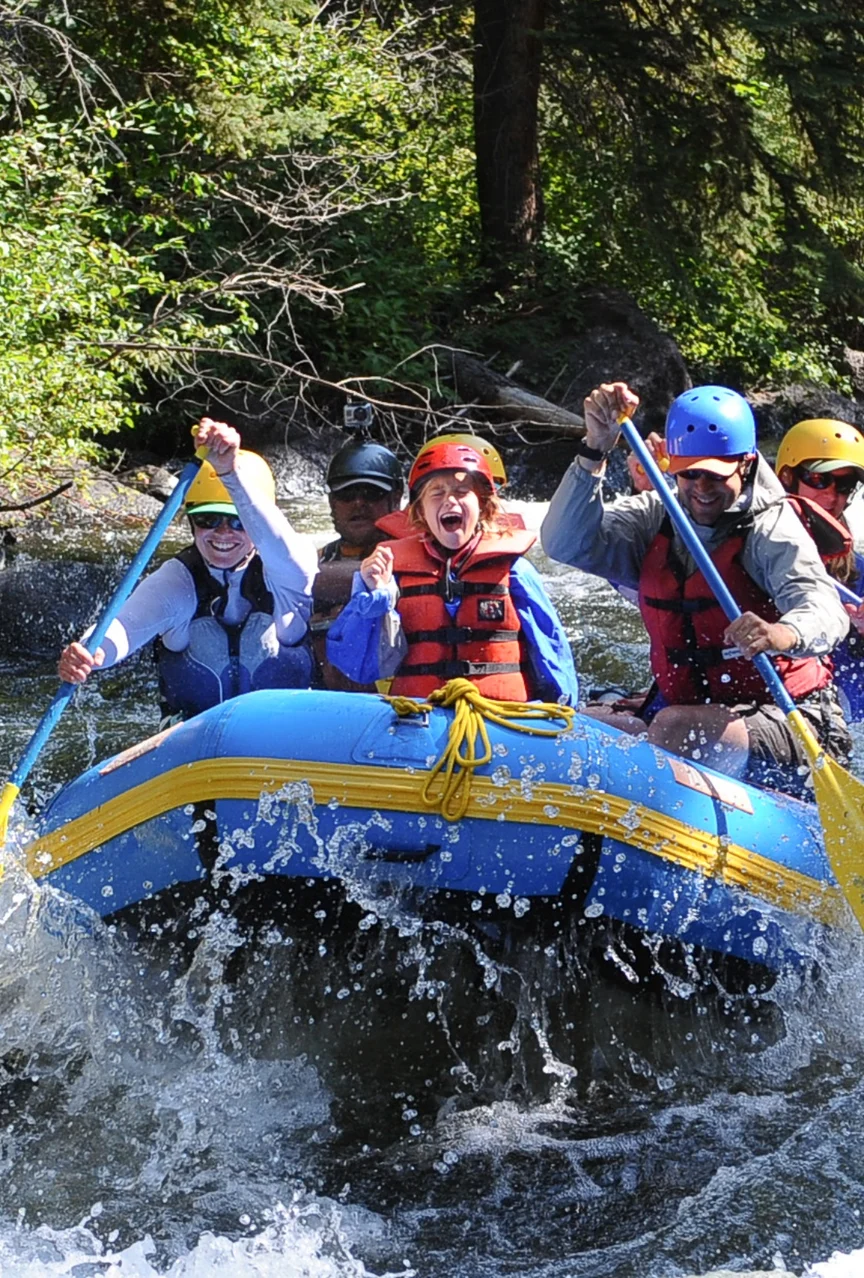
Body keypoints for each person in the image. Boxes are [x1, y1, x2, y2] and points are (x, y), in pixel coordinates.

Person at [540, 382, 852, 792]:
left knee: (675, 728)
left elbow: (825, 609)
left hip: (794, 717)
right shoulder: (657, 515)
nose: (702, 488)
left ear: (746, 464)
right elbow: (564, 544)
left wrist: (780, 632)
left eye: (717, 475)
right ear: (674, 468)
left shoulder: (772, 529)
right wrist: (595, 448)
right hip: (696, 709)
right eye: (691, 474)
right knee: (592, 727)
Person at [58, 417, 319, 721]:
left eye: (238, 521)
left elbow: (278, 541)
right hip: (195, 742)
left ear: (255, 522)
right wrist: (92, 652)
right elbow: (126, 625)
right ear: (191, 521)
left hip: (284, 736)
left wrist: (228, 473)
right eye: (207, 519)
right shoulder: (179, 579)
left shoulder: (292, 570)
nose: (223, 533)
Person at [326, 439, 579, 703]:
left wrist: (560, 712)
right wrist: (373, 597)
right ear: (421, 511)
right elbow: (357, 666)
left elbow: (552, 655)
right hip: (419, 717)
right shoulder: (391, 576)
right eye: (437, 493)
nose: (449, 500)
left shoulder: (517, 572)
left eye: (461, 491)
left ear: (483, 505)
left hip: (498, 717)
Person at [775, 417, 864, 720]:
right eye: (819, 479)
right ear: (786, 477)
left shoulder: (858, 572)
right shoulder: (746, 548)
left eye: (845, 484)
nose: (832, 495)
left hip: (835, 712)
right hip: (761, 702)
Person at [311, 435, 405, 691]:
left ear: (396, 498)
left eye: (372, 493)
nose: (359, 503)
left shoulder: (422, 561)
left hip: (395, 708)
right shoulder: (313, 562)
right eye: (346, 494)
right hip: (327, 707)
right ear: (331, 503)